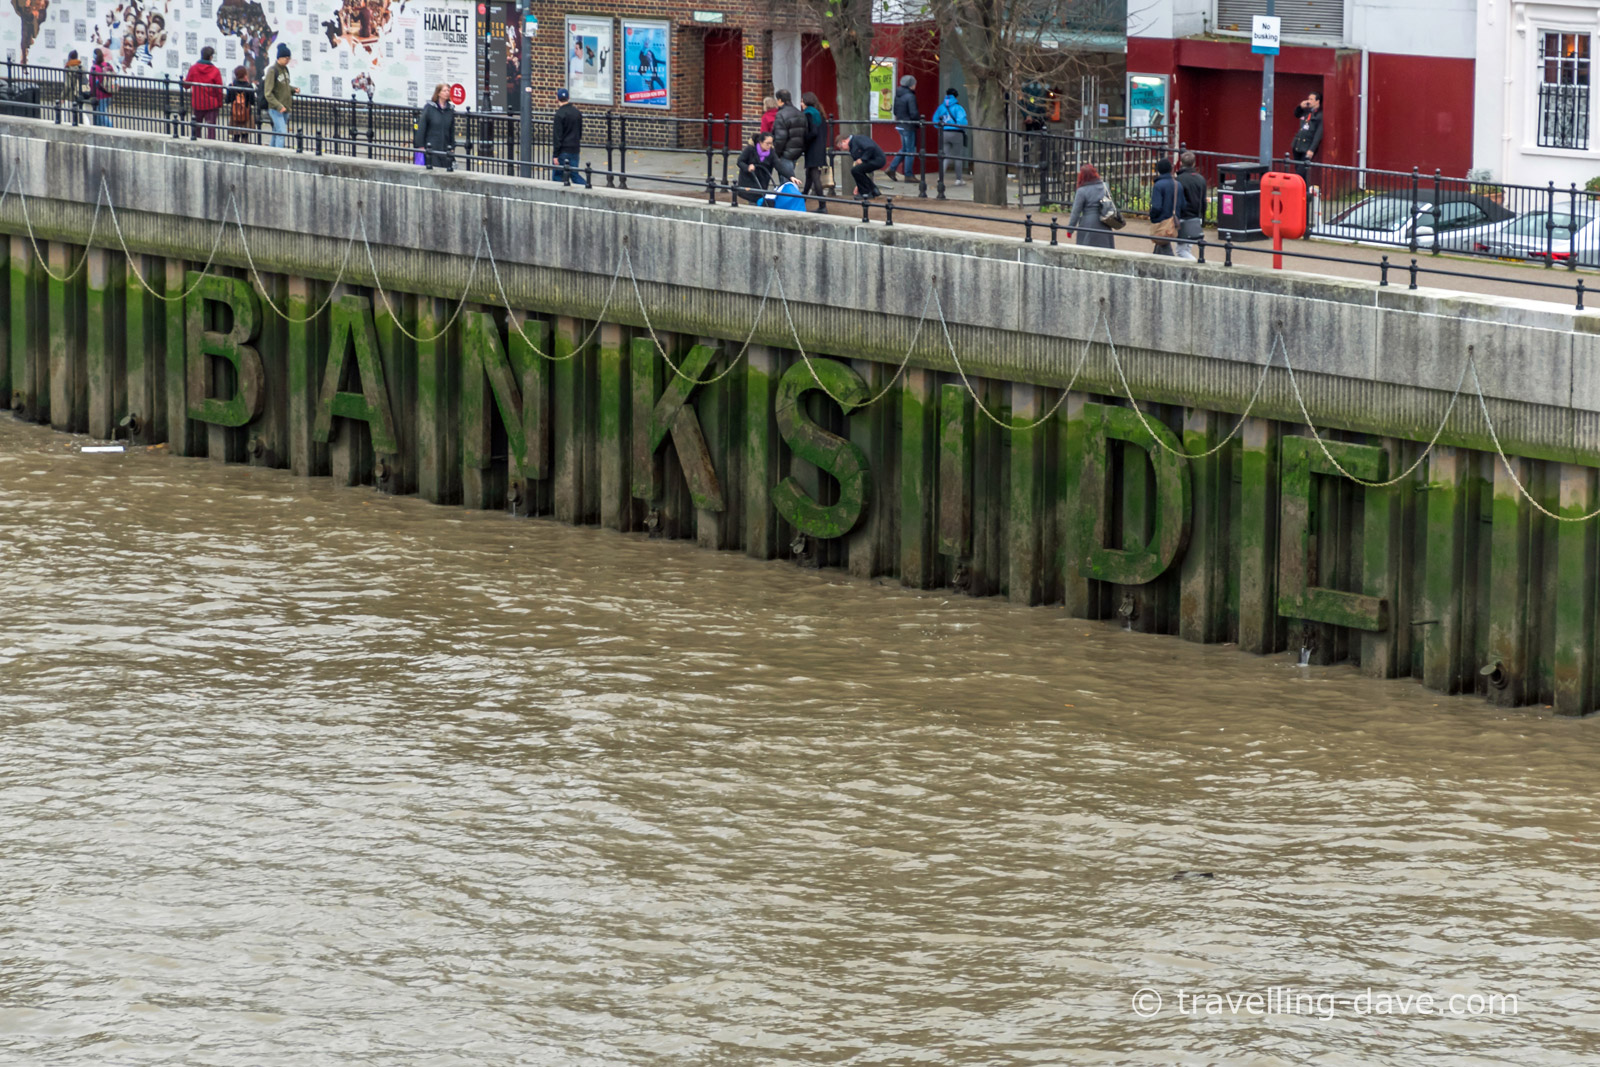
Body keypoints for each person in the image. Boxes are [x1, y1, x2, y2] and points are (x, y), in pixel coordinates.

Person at [1065, 164, 1114, 249]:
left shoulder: (1082, 191)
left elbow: (1076, 212)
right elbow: (1110, 204)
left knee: (1087, 249)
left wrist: (1070, 230)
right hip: (1104, 222)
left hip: (1088, 224)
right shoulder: (1104, 186)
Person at [261, 42, 297, 148]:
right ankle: (279, 154)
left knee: (277, 131)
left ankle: (272, 151)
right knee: (281, 131)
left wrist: (293, 89)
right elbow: (268, 92)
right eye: (286, 58)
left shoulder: (285, 70)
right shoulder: (272, 71)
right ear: (279, 58)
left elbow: (284, 86)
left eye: (288, 58)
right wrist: (278, 105)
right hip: (276, 108)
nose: (287, 60)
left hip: (285, 106)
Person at [185, 45, 225, 139]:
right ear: (211, 57)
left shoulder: (194, 68)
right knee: (211, 129)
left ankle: (196, 144)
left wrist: (183, 82)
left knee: (196, 128)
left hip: (198, 102)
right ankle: (210, 146)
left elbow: (187, 85)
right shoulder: (215, 71)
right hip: (212, 104)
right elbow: (219, 89)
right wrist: (219, 103)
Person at [800, 90, 831, 212]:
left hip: (813, 148)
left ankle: (822, 205)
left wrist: (804, 139)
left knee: (814, 176)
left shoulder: (809, 114)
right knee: (809, 175)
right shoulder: (820, 113)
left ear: (806, 102)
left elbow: (813, 132)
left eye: (802, 101)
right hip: (820, 147)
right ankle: (802, 199)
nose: (801, 104)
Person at [930, 86, 968, 187]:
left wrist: (940, 127)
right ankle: (958, 179)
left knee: (944, 156)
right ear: (956, 96)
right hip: (956, 134)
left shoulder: (941, 107)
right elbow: (962, 121)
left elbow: (935, 119)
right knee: (957, 156)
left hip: (943, 133)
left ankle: (940, 177)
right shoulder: (958, 107)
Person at [1149, 156, 1186, 256]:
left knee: (1163, 244)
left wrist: (1153, 217)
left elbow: (1156, 206)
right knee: (1162, 244)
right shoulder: (1177, 184)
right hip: (1173, 219)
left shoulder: (1158, 185)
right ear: (1171, 169)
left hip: (1162, 220)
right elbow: (1183, 205)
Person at [414, 82, 456, 171]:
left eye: (448, 90)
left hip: (445, 147)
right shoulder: (429, 108)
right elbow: (422, 127)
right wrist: (420, 145)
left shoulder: (450, 110)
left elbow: (451, 130)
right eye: (444, 90)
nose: (447, 92)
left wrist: (452, 146)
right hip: (432, 147)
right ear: (438, 93)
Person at [1175, 151, 1207, 259]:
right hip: (1196, 217)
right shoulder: (1201, 179)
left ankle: (1197, 267)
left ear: (1181, 163)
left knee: (1181, 251)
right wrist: (1203, 217)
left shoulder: (1179, 179)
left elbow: (1177, 201)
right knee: (1186, 248)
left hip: (1184, 217)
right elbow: (1203, 201)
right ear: (1194, 163)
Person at [887, 74, 919, 181]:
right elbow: (913, 113)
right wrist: (918, 122)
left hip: (900, 124)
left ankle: (892, 168)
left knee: (905, 149)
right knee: (910, 150)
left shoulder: (898, 95)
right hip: (908, 125)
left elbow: (895, 111)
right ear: (911, 85)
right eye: (914, 83)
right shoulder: (910, 96)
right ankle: (908, 174)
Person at [837, 132, 885, 199]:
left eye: (841, 147)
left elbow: (870, 147)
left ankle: (866, 193)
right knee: (857, 170)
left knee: (855, 170)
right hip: (873, 160)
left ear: (844, 141)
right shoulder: (852, 146)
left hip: (877, 159)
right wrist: (859, 185)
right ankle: (873, 190)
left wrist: (863, 159)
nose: (842, 150)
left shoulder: (858, 139)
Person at [552, 88, 586, 185]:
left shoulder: (559, 115)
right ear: (568, 98)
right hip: (574, 148)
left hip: (563, 150)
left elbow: (557, 136)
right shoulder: (576, 112)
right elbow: (579, 131)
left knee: (558, 177)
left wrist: (555, 155)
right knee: (574, 174)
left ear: (557, 98)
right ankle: (586, 187)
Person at [770, 88, 805, 181]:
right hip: (797, 150)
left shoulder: (781, 114)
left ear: (780, 100)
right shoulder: (799, 113)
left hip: (785, 152)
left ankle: (787, 195)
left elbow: (780, 138)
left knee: (786, 180)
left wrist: (776, 153)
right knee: (790, 176)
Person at [1291, 92, 1322, 183]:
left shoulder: (1319, 115)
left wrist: (1312, 149)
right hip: (1298, 145)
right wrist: (1300, 106)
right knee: (1298, 169)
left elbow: (1318, 134)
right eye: (1308, 99)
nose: (1309, 101)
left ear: (1317, 101)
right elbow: (1296, 114)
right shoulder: (1306, 112)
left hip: (1307, 147)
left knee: (1300, 172)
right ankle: (1302, 192)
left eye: (1311, 99)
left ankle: (1303, 191)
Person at [737, 132, 776, 203]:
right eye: (767, 143)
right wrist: (747, 167)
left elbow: (778, 164)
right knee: (752, 199)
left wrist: (790, 176)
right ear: (761, 142)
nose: (769, 146)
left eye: (771, 143)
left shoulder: (771, 153)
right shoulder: (750, 149)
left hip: (762, 180)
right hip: (749, 179)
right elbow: (740, 161)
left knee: (759, 198)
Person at [226, 65, 255, 144]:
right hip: (246, 114)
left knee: (235, 137)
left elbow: (227, 100)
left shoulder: (231, 85)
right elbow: (252, 101)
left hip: (234, 114)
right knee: (245, 137)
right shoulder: (249, 86)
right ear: (245, 74)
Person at [89, 47, 114, 127]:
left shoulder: (94, 68)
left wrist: (91, 94)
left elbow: (92, 83)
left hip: (100, 95)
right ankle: (99, 129)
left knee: (102, 115)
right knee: (100, 114)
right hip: (109, 93)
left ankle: (112, 129)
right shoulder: (108, 65)